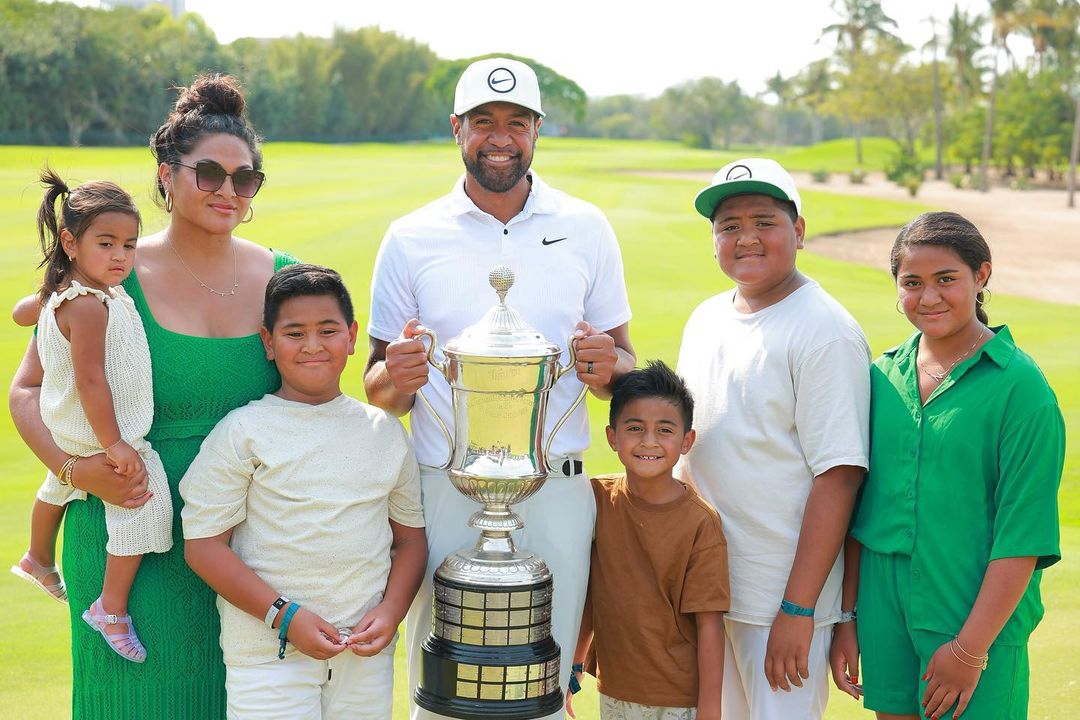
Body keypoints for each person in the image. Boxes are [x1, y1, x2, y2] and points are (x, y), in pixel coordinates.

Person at [9, 74, 297, 718]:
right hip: (128, 534)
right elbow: (28, 388)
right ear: (167, 175)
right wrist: (73, 468)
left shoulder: (284, 275)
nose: (228, 191)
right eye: (209, 174)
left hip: (252, 545)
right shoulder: (107, 273)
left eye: (244, 179)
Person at [364, 57, 635, 720]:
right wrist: (393, 377)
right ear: (456, 127)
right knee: (443, 687)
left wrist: (611, 368)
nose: (500, 136)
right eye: (483, 121)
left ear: (538, 131)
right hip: (443, 490)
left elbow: (621, 367)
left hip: (558, 489)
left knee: (544, 688)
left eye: (517, 122)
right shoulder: (410, 236)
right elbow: (377, 388)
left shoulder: (587, 226)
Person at [833, 212, 1064, 720]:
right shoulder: (879, 377)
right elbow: (858, 511)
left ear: (981, 276)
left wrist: (969, 650)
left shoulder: (1021, 390)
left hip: (974, 621)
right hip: (884, 618)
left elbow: (1022, 535)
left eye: (946, 279)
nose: (928, 297)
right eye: (912, 283)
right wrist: (846, 619)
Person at [181, 264, 426, 719]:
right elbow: (203, 547)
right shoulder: (243, 432)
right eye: (294, 333)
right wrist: (285, 617)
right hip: (266, 654)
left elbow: (410, 540)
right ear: (268, 343)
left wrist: (391, 612)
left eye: (328, 330)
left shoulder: (385, 432)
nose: (313, 346)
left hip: (363, 652)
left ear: (352, 337)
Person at [675, 158, 870, 720]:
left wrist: (798, 608)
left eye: (764, 220)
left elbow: (840, 475)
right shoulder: (706, 317)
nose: (746, 238)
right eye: (729, 225)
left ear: (799, 231)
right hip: (711, 589)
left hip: (777, 601)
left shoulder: (823, 330)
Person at [10, 169, 172, 665]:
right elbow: (91, 380)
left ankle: (37, 557)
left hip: (71, 430)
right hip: (99, 434)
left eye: (129, 244)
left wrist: (44, 299)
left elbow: (21, 313)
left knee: (55, 487)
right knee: (144, 503)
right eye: (106, 244)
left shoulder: (74, 290)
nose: (120, 256)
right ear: (70, 241)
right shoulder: (88, 307)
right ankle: (111, 607)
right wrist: (117, 444)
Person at [565, 360, 728, 720]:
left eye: (664, 430)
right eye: (635, 428)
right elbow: (591, 593)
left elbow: (710, 625)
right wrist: (573, 668)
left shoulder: (700, 524)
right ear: (612, 437)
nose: (648, 442)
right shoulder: (596, 500)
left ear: (687, 441)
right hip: (615, 690)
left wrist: (710, 711)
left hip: (678, 699)